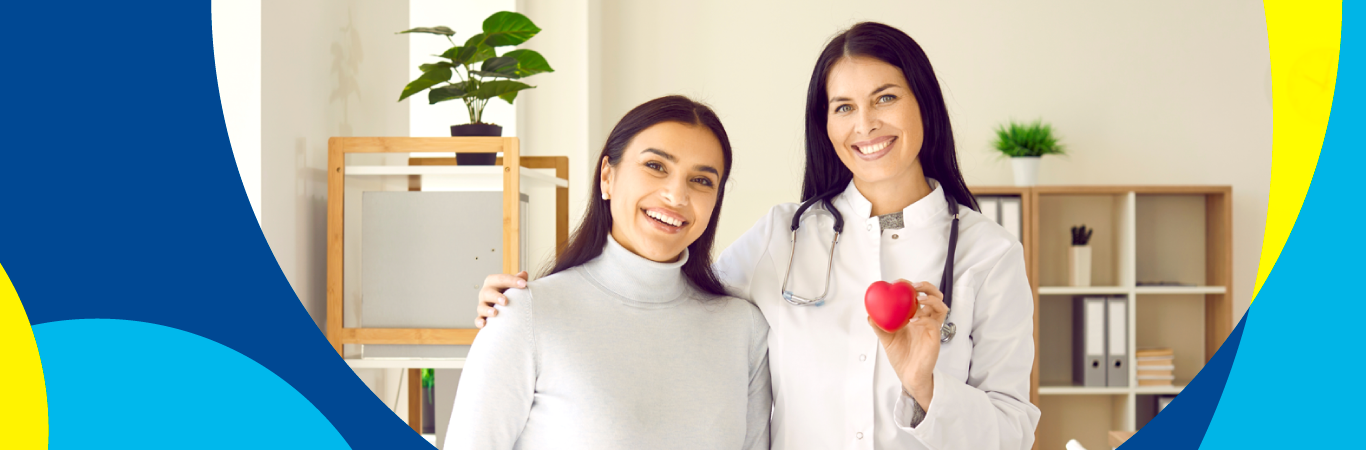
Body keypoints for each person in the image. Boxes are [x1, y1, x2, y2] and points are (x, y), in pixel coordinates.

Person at [477, 22, 1039, 449]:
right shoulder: (785, 235)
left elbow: (1014, 431)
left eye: (885, 98)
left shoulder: (988, 256)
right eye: (843, 106)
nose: (864, 125)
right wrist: (527, 314)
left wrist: (926, 384)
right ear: (825, 124)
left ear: (924, 103)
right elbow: (672, 303)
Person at [445, 95, 771, 450]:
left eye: (702, 180)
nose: (676, 195)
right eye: (656, 166)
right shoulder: (527, 315)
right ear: (607, 177)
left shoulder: (744, 330)